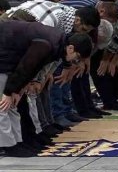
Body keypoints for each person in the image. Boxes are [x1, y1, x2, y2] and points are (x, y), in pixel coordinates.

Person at [0, 22, 93, 157]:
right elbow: (26, 66)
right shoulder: (47, 44)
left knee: (13, 106)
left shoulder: (57, 43)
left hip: (10, 61)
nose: (75, 62)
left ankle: (18, 142)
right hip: (4, 61)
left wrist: (19, 88)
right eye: (77, 58)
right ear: (71, 48)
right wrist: (8, 92)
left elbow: (34, 67)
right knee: (3, 106)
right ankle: (7, 145)